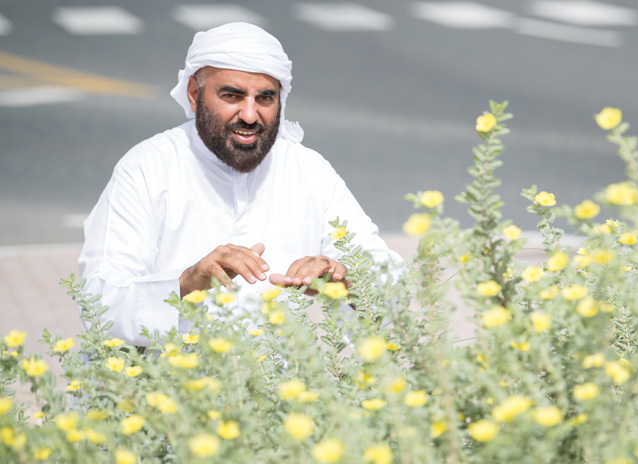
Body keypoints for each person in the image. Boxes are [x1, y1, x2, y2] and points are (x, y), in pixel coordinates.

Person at [78, 22, 403, 346]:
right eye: (232, 95)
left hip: (279, 388)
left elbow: (391, 287)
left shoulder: (308, 171)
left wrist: (342, 277)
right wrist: (190, 281)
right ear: (194, 94)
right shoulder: (147, 168)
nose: (250, 114)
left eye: (265, 98)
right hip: (164, 386)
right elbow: (101, 304)